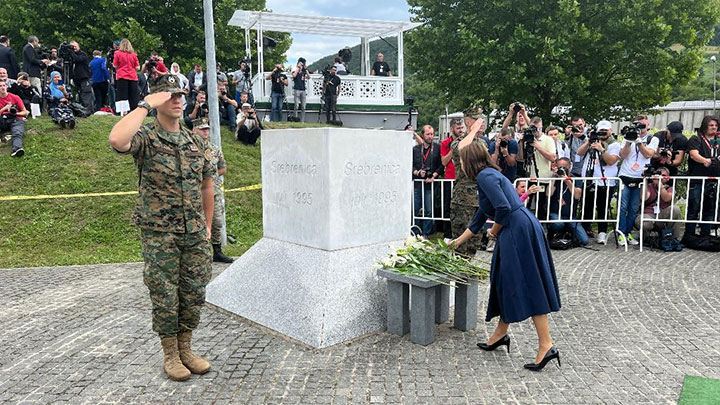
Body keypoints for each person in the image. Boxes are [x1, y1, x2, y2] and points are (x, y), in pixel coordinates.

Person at [108, 74, 215, 382]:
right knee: (165, 295)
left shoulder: (194, 139)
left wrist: (207, 227)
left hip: (193, 232)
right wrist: (144, 105)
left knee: (193, 292)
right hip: (160, 233)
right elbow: (117, 140)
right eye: (171, 96)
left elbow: (207, 185)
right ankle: (170, 354)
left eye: (181, 95)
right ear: (157, 101)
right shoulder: (147, 137)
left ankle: (186, 349)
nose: (179, 100)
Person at [452, 138, 561, 372]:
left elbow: (502, 208)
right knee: (503, 281)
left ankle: (547, 345)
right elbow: (479, 217)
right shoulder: (489, 176)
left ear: (469, 160)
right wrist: (456, 243)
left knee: (528, 284)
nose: (459, 163)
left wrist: (494, 231)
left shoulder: (485, 177)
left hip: (516, 230)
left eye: (460, 159)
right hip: (518, 227)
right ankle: (500, 334)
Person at [447, 107, 488, 256]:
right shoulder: (458, 142)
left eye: (482, 120)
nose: (481, 123)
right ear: (468, 122)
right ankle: (459, 275)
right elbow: (460, 150)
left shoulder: (482, 143)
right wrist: (472, 132)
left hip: (479, 198)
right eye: (478, 120)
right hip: (463, 199)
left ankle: (468, 272)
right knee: (460, 240)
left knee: (475, 240)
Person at [192, 117, 234, 263]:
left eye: (207, 129)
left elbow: (222, 167)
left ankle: (217, 251)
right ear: (194, 130)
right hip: (193, 193)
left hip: (213, 192)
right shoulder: (189, 148)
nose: (205, 132)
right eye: (202, 129)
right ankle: (198, 254)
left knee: (216, 222)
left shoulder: (214, 149)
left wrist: (211, 178)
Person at [577, 120, 621, 244]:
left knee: (602, 208)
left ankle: (602, 232)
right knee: (587, 206)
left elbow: (611, 161)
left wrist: (601, 150)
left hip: (605, 182)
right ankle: (585, 230)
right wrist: (589, 141)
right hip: (590, 179)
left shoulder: (614, 144)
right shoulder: (591, 142)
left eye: (604, 131)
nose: (602, 133)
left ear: (610, 131)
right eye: (600, 131)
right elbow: (579, 153)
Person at [617, 115, 658, 246]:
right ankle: (621, 233)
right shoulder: (628, 137)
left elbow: (648, 154)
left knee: (634, 208)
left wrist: (639, 141)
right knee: (622, 207)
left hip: (640, 176)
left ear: (648, 126)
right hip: (625, 175)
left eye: (643, 125)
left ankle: (628, 232)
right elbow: (622, 156)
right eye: (638, 125)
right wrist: (629, 141)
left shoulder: (653, 139)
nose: (640, 128)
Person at [684, 115, 720, 239]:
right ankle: (689, 234)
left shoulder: (718, 142)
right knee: (694, 207)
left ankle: (706, 234)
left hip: (714, 180)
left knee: (710, 208)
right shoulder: (696, 139)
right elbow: (694, 154)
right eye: (711, 125)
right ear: (705, 126)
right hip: (697, 179)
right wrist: (705, 160)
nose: (714, 127)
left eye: (716, 125)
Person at [546, 158, 589, 246]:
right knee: (558, 224)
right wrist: (554, 178)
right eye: (559, 167)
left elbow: (577, 195)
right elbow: (548, 193)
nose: (562, 169)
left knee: (584, 241)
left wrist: (567, 180)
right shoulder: (555, 179)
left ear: (569, 167)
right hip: (556, 213)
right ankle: (550, 236)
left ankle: (567, 235)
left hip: (570, 216)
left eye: (564, 167)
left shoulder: (575, 179)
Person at [634, 166, 683, 241]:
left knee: (675, 209)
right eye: (659, 175)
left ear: (668, 178)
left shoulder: (670, 188)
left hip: (663, 215)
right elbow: (644, 197)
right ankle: (644, 237)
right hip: (648, 215)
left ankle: (673, 239)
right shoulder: (649, 187)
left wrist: (660, 183)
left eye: (663, 176)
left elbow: (666, 198)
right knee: (645, 222)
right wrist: (645, 179)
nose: (660, 177)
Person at [412, 125, 443, 237]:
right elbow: (411, 166)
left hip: (431, 183)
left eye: (432, 134)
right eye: (428, 134)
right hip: (417, 183)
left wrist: (433, 176)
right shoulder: (415, 149)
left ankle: (426, 233)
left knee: (429, 209)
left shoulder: (438, 148)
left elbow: (441, 165)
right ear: (422, 135)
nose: (431, 137)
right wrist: (418, 172)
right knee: (416, 208)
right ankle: (415, 232)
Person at [439, 118, 463, 241]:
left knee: (461, 207)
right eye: (458, 128)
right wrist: (453, 149)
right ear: (452, 128)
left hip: (461, 179)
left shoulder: (465, 141)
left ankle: (460, 234)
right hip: (449, 178)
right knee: (448, 206)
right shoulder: (445, 143)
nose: (460, 130)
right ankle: (448, 234)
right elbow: (444, 161)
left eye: (461, 128)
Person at [0, 79, 28, 157]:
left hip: (15, 118)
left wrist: (16, 113)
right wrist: (4, 108)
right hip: (2, 118)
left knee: (17, 132)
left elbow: (25, 112)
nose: (2, 87)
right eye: (0, 86)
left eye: (4, 85)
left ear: (6, 86)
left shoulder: (15, 97)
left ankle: (17, 149)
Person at [113, 39, 141, 112]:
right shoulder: (134, 55)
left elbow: (115, 65)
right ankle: (134, 110)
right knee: (133, 95)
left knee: (122, 95)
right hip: (132, 76)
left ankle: (123, 111)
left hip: (122, 75)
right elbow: (138, 67)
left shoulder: (117, 53)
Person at [67, 41, 95, 111]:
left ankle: (88, 109)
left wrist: (71, 52)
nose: (73, 48)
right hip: (76, 78)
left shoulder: (83, 54)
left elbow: (78, 59)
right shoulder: (71, 56)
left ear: (78, 46)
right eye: (72, 47)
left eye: (75, 46)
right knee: (79, 93)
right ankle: (81, 107)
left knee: (86, 92)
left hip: (84, 77)